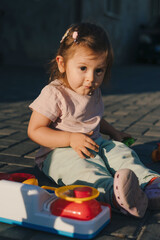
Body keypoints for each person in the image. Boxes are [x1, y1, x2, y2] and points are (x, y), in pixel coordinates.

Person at [28, 22, 160, 218]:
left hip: (96, 143)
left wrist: (113, 132)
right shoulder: (54, 93)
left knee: (122, 152)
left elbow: (94, 118)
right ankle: (114, 195)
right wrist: (70, 139)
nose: (91, 79)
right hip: (60, 152)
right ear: (62, 64)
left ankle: (149, 184)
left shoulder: (92, 91)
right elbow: (35, 130)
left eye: (99, 70)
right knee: (84, 171)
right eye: (83, 68)